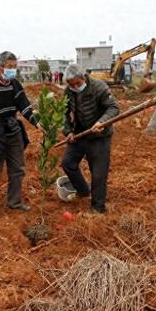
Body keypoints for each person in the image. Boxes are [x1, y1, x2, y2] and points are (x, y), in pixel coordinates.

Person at [0, 51, 42, 221]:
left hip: (13, 130)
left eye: (15, 67)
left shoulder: (15, 84)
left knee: (18, 169)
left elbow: (23, 105)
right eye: (10, 67)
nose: (13, 70)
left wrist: (36, 122)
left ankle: (14, 202)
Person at [61, 64, 119, 214]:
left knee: (98, 173)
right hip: (80, 133)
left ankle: (97, 208)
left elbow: (113, 108)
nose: (74, 86)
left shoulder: (99, 87)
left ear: (84, 77)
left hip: (100, 136)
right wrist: (68, 131)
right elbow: (64, 113)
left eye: (77, 83)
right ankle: (83, 190)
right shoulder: (68, 92)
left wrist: (101, 123)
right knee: (68, 163)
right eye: (71, 84)